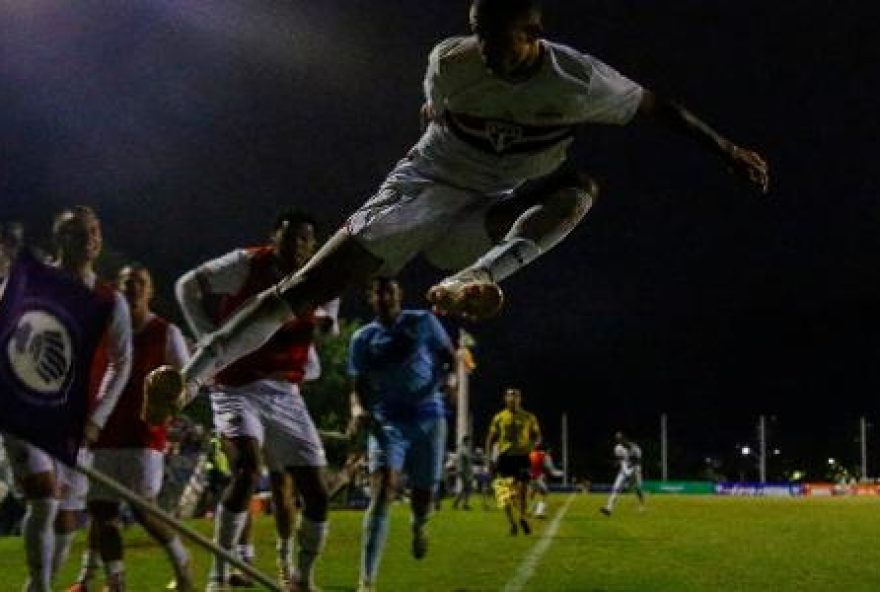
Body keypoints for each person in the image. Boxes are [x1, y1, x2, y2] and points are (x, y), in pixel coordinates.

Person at [151, 0, 769, 421]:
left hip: (495, 210)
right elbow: (432, 114)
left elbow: (658, 107)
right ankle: (190, 380)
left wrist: (727, 148)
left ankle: (474, 278)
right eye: (478, 36)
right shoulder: (452, 62)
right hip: (423, 189)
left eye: (497, 43)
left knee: (577, 188)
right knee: (303, 288)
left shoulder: (581, 82)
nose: (486, 53)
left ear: (533, 35)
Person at [175, 209, 336, 592]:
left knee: (316, 493)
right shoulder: (246, 263)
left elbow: (323, 328)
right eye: (289, 237)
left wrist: (325, 328)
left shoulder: (323, 275)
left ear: (313, 245)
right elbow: (186, 286)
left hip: (284, 393)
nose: (296, 246)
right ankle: (218, 576)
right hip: (235, 386)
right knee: (247, 469)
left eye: (304, 239)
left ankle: (303, 578)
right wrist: (212, 343)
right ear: (273, 237)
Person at [3, 207, 132, 592]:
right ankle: (41, 586)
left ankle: (37, 583)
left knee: (67, 519)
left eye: (93, 232)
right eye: (77, 234)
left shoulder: (111, 300)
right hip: (24, 409)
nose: (88, 240)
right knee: (43, 500)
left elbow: (122, 362)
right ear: (60, 240)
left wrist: (97, 420)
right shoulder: (31, 280)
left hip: (75, 420)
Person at [67, 265, 193, 591]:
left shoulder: (167, 333)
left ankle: (181, 561)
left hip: (144, 436)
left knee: (142, 510)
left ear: (150, 291)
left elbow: (187, 380)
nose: (133, 289)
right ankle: (115, 582)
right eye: (127, 284)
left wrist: (171, 404)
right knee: (101, 510)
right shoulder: (103, 332)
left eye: (141, 283)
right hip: (102, 433)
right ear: (118, 291)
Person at [347, 278, 456, 592]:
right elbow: (356, 387)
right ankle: (366, 581)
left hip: (429, 418)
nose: (383, 296)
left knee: (423, 498)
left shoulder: (423, 321)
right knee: (382, 491)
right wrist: (357, 411)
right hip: (388, 422)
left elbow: (449, 355)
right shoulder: (362, 339)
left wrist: (450, 382)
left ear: (399, 294)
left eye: (389, 291)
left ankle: (419, 525)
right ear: (370, 296)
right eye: (377, 291)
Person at [485, 388, 541, 535]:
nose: (513, 399)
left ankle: (522, 518)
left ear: (520, 399)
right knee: (504, 493)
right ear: (505, 399)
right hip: (505, 457)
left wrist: (531, 446)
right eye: (510, 396)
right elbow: (491, 438)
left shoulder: (529, 417)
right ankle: (512, 523)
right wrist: (489, 458)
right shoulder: (499, 417)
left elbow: (537, 436)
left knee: (523, 490)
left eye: (515, 396)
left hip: (522, 457)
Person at [600, 432, 645, 516]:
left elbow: (639, 461)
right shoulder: (617, 448)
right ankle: (608, 508)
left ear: (624, 438)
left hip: (634, 471)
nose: (619, 440)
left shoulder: (635, 448)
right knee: (615, 488)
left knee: (637, 489)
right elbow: (620, 460)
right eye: (617, 439)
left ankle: (642, 504)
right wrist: (616, 463)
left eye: (620, 438)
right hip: (623, 471)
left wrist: (631, 466)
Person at [528, 442, 562, 519]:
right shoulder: (545, 456)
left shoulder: (530, 454)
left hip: (529, 477)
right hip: (539, 477)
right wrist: (560, 473)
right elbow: (550, 468)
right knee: (543, 494)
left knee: (531, 493)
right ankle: (539, 512)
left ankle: (529, 509)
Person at [452, 435, 474, 510]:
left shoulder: (463, 449)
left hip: (464, 471)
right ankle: (463, 504)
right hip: (463, 471)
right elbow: (465, 459)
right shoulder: (463, 449)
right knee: (467, 488)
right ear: (466, 441)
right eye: (468, 441)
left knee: (466, 488)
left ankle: (459, 503)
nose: (469, 443)